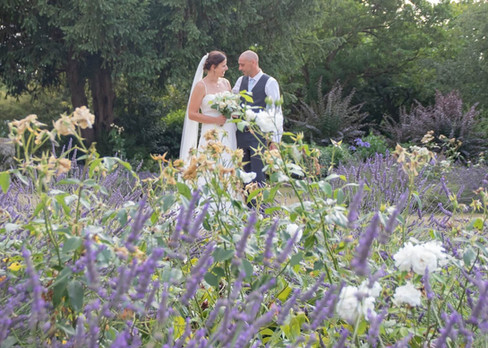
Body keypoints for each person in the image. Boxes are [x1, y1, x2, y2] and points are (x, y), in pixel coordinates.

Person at [232, 50, 283, 186]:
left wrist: (275, 141)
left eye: (242, 65)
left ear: (253, 63)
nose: (240, 68)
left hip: (259, 136)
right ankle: (245, 207)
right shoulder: (240, 81)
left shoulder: (269, 82)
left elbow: (275, 113)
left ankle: (259, 207)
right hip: (241, 135)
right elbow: (233, 103)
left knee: (258, 176)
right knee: (243, 174)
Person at [179, 51, 237, 166]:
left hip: (228, 129)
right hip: (211, 132)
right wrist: (215, 120)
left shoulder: (226, 83)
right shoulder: (201, 86)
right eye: (223, 65)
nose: (227, 68)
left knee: (229, 162)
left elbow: (232, 107)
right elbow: (192, 114)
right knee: (211, 163)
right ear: (213, 67)